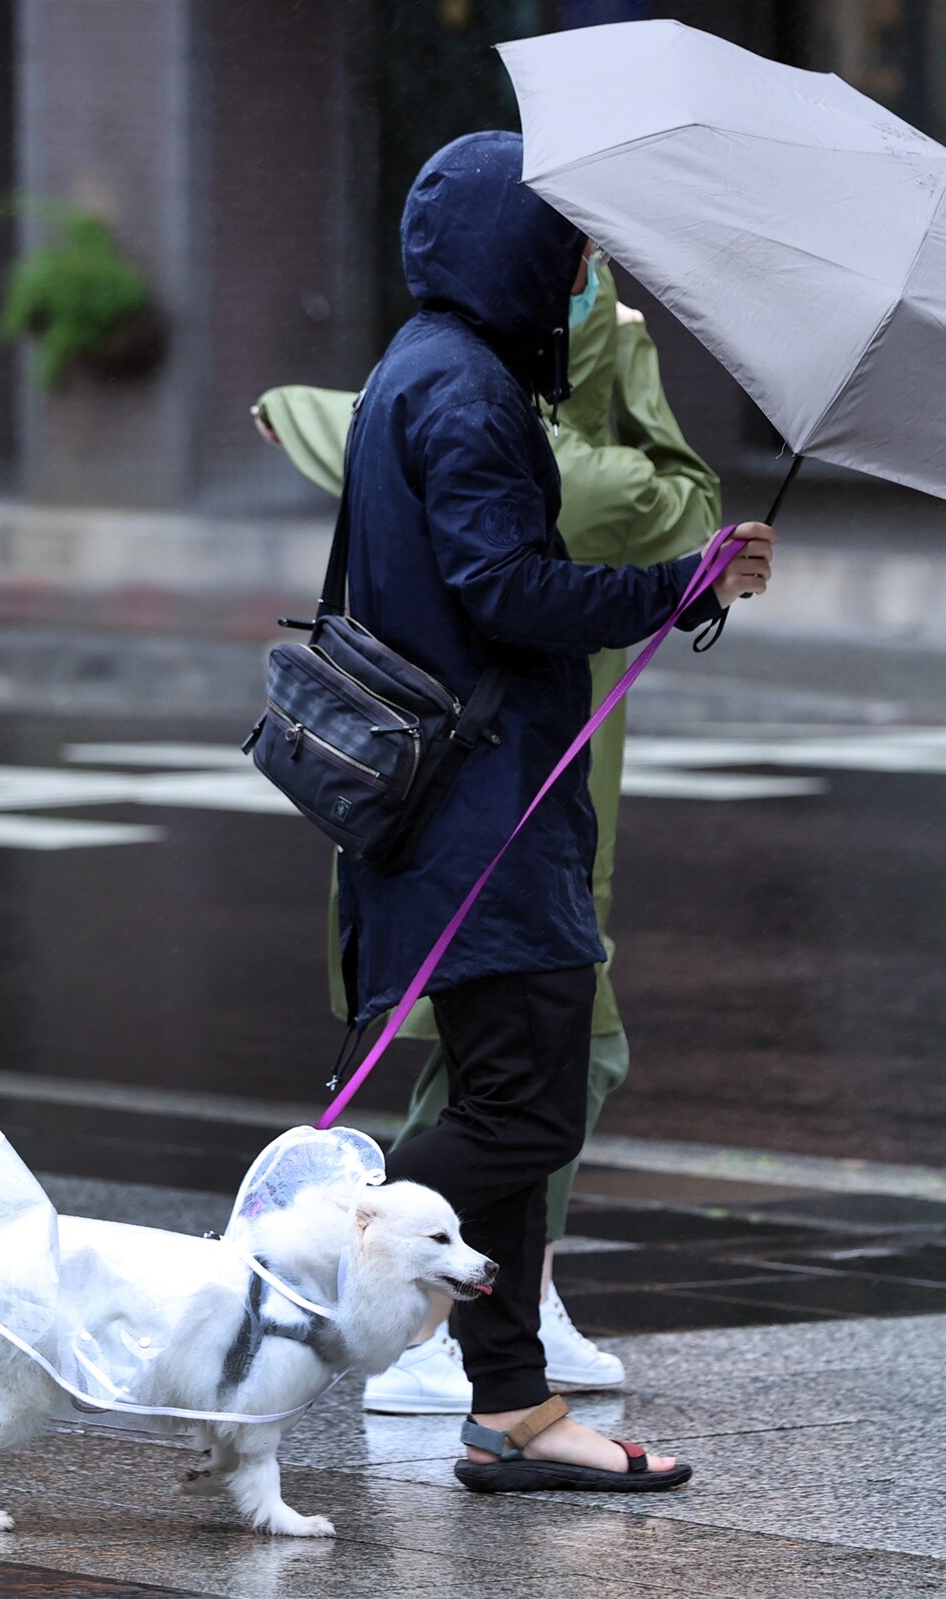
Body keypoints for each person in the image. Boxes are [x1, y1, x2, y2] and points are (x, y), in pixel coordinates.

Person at [272, 130, 775, 1493]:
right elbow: (507, 591)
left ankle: (513, 1411)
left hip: (465, 801)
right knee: (523, 1107)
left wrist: (681, 579)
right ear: (518, 255)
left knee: (520, 1092)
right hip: (480, 811)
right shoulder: (466, 393)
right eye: (565, 250)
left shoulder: (428, 369)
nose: (577, 280)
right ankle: (294, 1259)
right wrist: (677, 589)